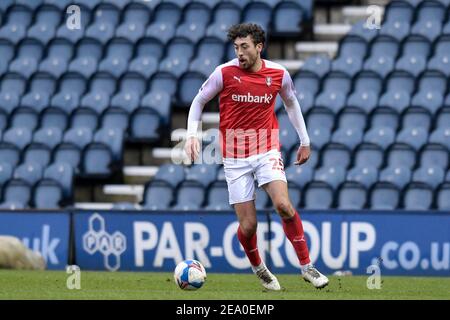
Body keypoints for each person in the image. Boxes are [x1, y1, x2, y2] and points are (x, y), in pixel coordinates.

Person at [184, 23, 329, 290]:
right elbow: (198, 101)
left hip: (266, 149)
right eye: (236, 47)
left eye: (245, 47)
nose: (239, 53)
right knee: (249, 226)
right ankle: (259, 268)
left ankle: (307, 267)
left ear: (259, 47)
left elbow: (291, 103)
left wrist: (305, 141)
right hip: (235, 157)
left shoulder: (279, 74)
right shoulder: (224, 73)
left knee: (284, 206)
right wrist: (192, 135)